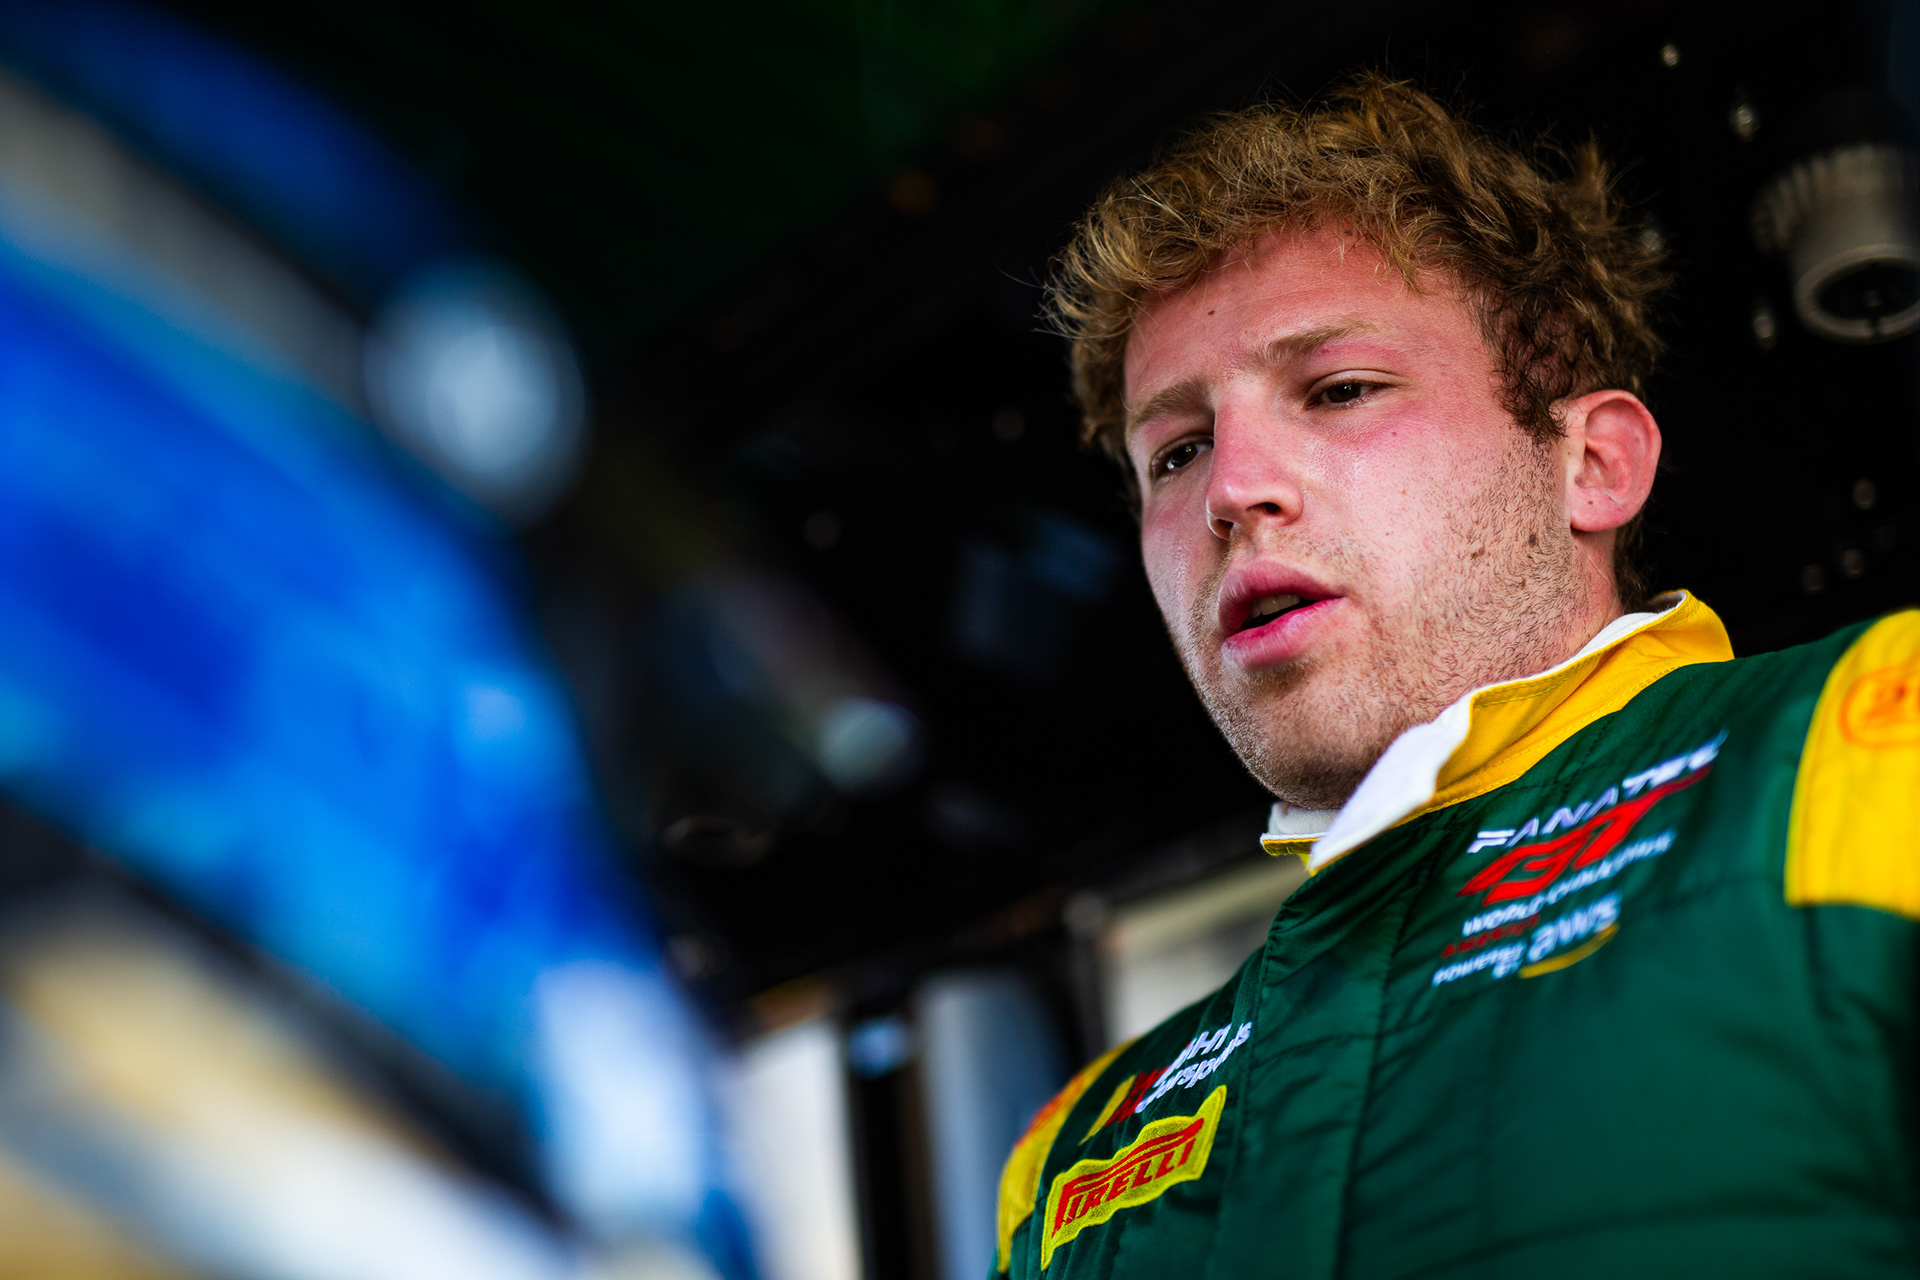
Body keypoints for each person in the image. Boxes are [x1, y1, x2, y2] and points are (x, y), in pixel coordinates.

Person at [992, 73, 1920, 1278]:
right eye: (1176, 450)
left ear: (1593, 464)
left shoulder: (1873, 744)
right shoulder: (1070, 1160)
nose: (1231, 490)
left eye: (1339, 388)